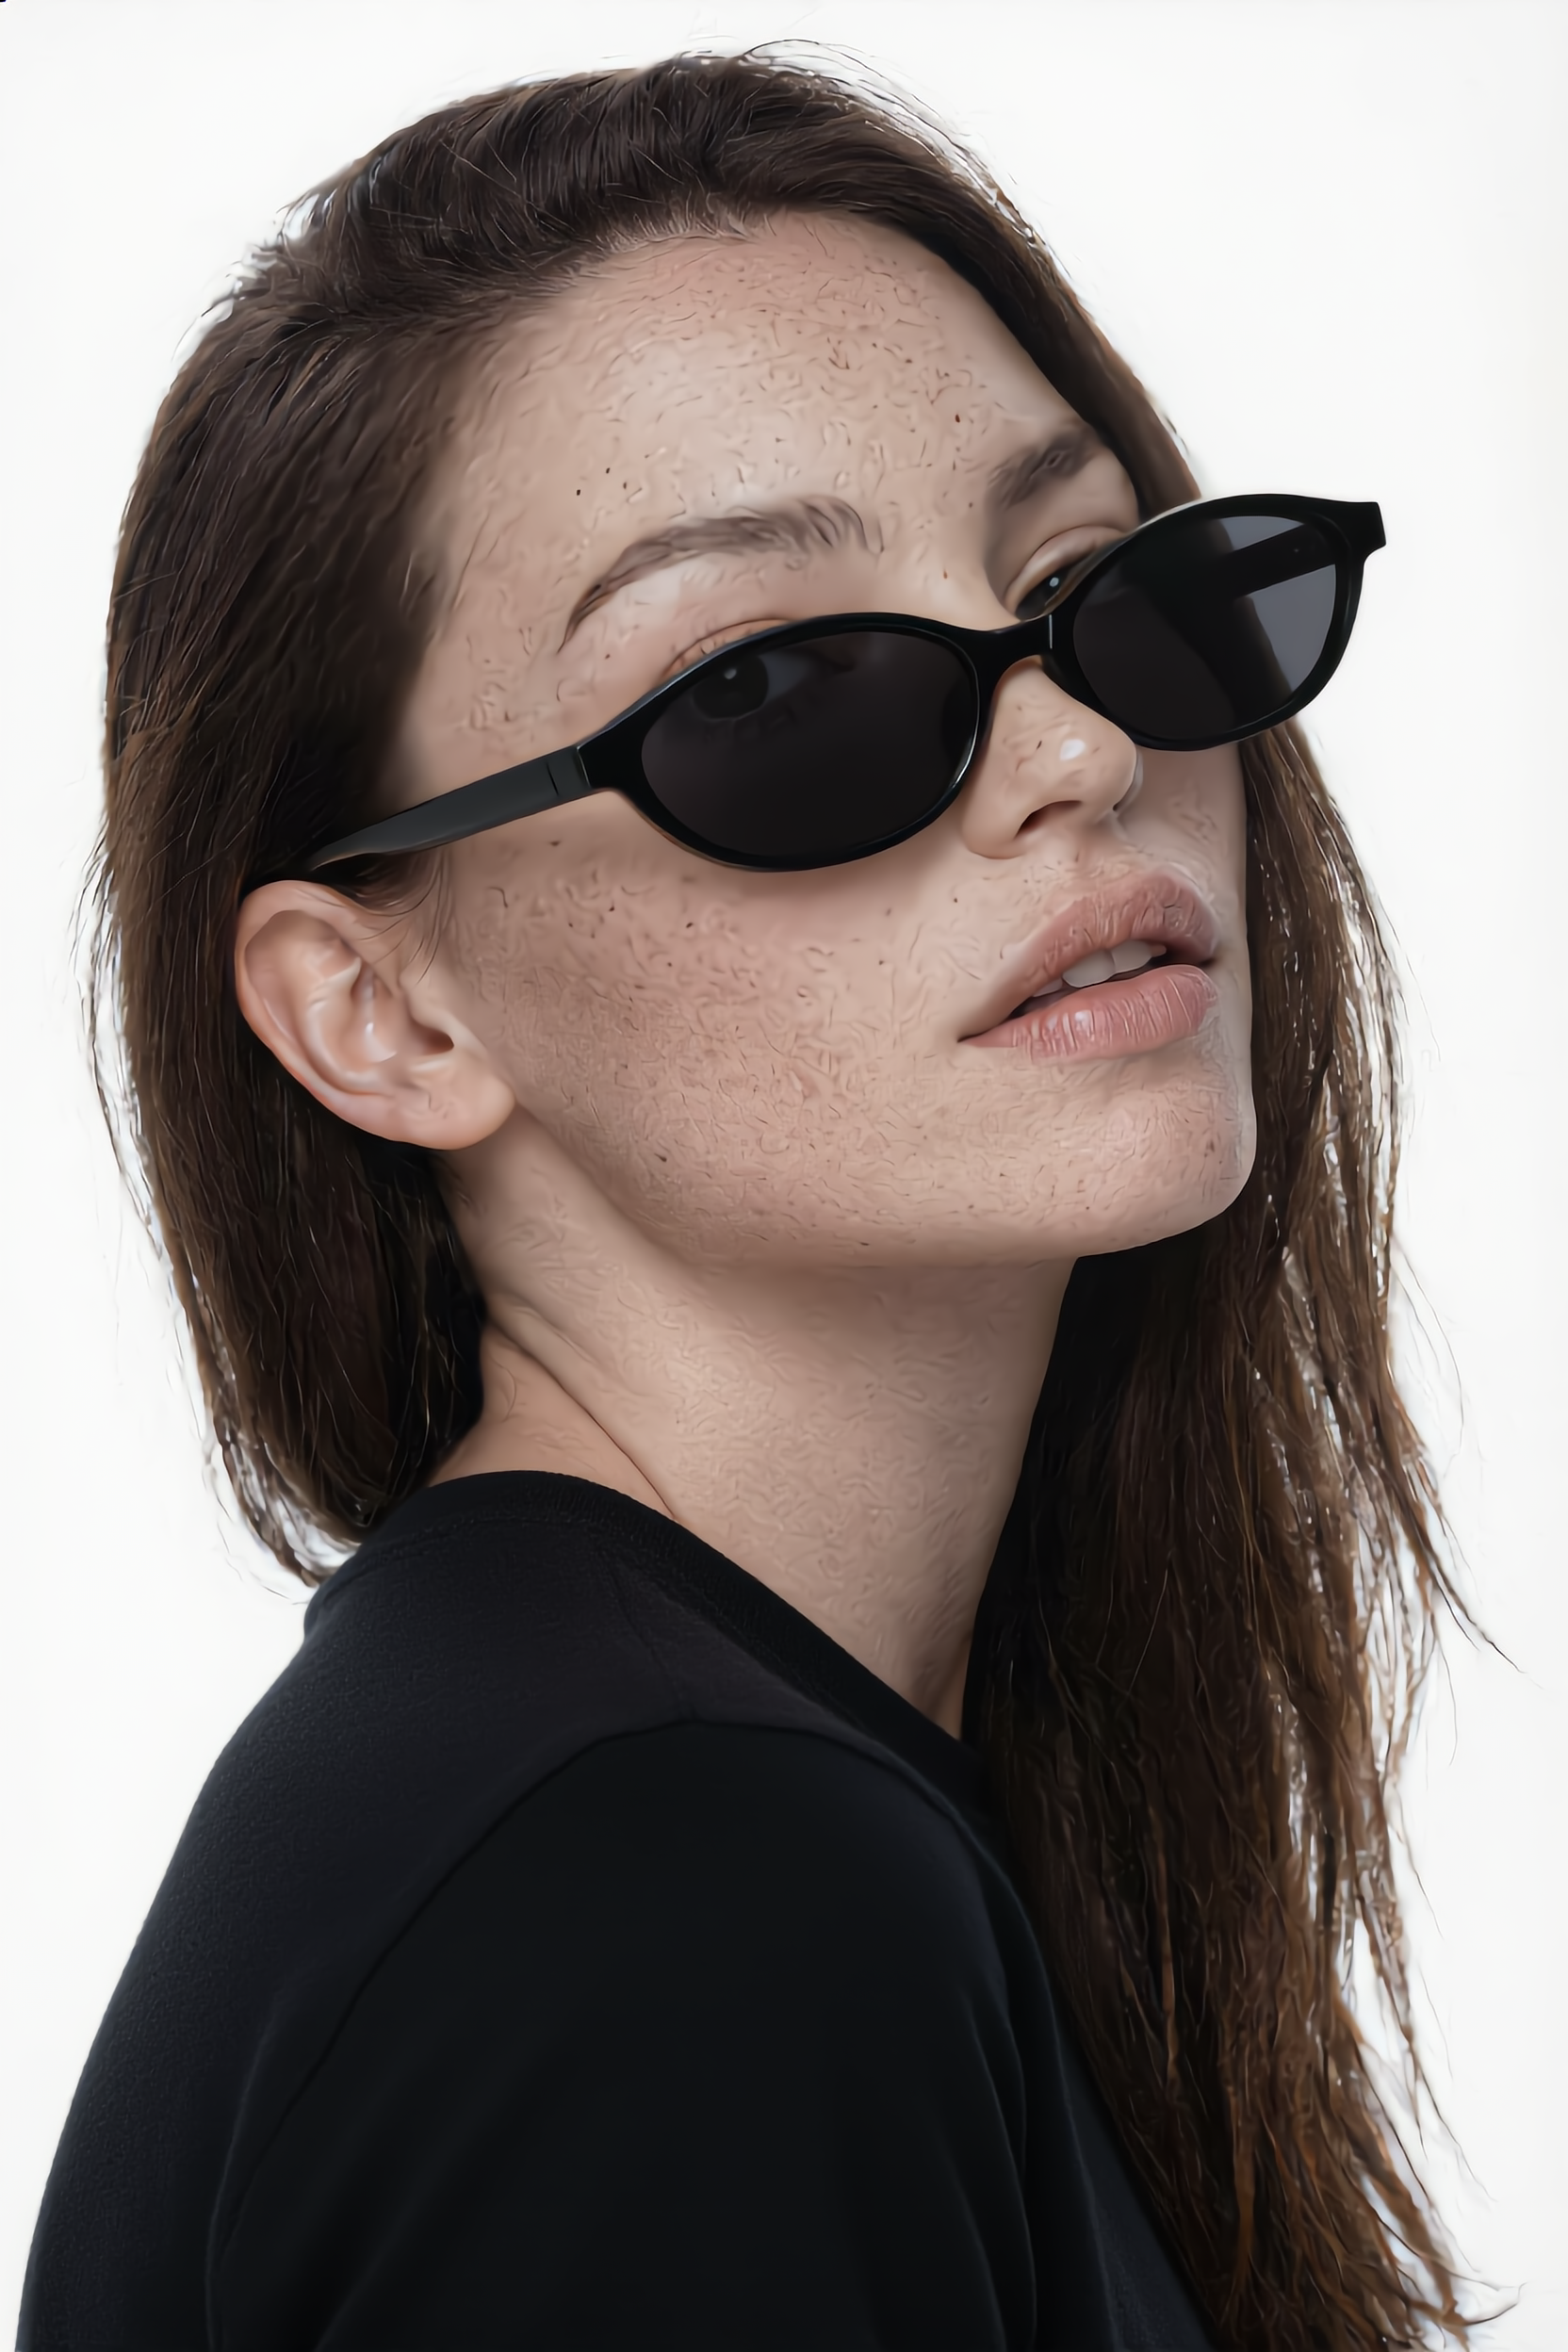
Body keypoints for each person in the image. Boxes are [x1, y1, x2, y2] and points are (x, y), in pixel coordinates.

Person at [19, 50, 1472, 2351]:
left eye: (1091, 589)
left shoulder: (660, 1802)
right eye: (775, 687)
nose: (1082, 749)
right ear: (378, 1014)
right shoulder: (675, 1897)